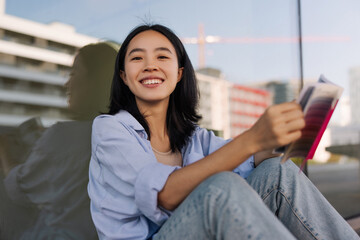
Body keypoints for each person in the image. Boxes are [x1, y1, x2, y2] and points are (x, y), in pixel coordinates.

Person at [87, 24, 359, 240]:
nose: (150, 65)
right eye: (137, 58)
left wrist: (290, 134)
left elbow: (251, 159)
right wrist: (253, 137)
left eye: (162, 56)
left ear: (179, 73)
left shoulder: (194, 137)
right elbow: (165, 195)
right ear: (123, 75)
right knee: (220, 187)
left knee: (278, 171)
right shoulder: (110, 128)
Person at [1, 41, 119, 240]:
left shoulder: (64, 136)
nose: (67, 83)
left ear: (94, 82)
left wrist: (4, 151)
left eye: (73, 73)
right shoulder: (124, 135)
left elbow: (18, 189)